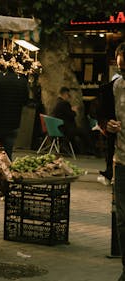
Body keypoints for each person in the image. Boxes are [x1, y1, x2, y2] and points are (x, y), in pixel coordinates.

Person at [102, 42, 125, 281]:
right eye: (121, 68)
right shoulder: (114, 88)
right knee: (121, 219)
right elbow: (104, 117)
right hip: (121, 161)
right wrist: (107, 125)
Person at [51, 86, 94, 155]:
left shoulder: (57, 102)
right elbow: (71, 115)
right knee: (84, 132)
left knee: (79, 133)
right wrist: (74, 110)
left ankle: (78, 151)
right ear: (65, 94)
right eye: (68, 95)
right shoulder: (64, 103)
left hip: (59, 128)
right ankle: (89, 150)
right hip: (66, 128)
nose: (69, 97)